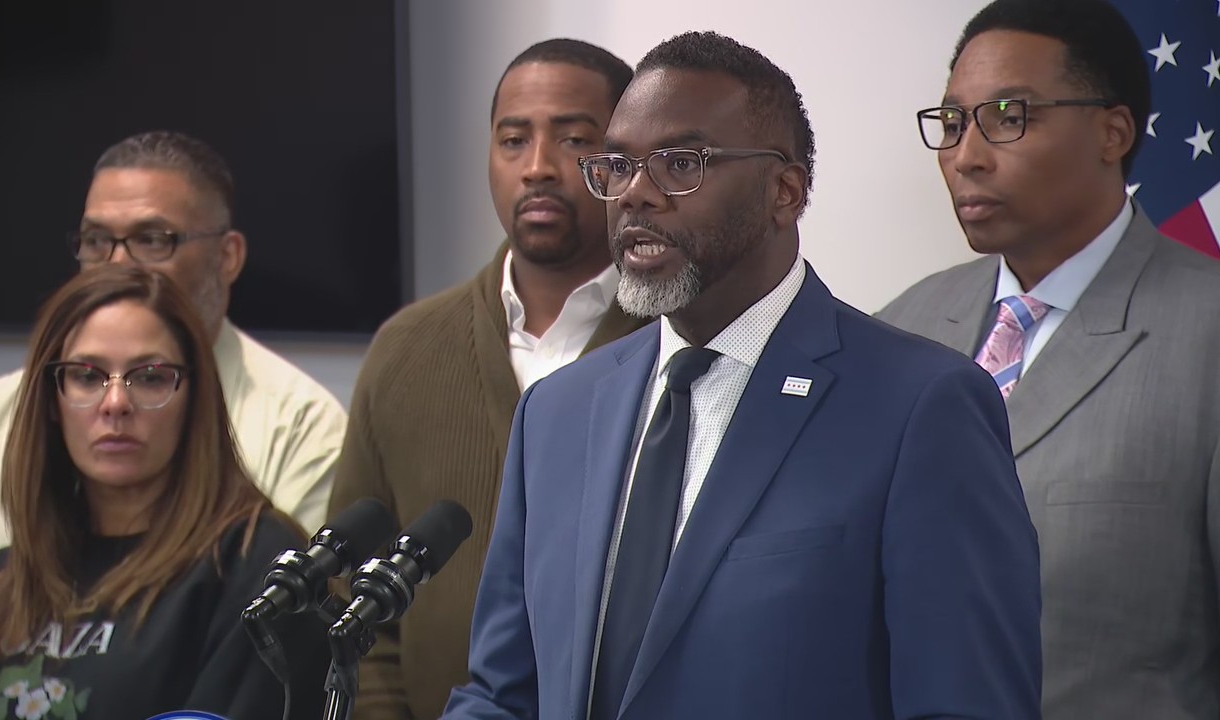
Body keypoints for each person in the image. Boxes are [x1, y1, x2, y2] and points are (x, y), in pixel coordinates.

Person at [444, 31, 1042, 720]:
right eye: (619, 165)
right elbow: (503, 695)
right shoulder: (557, 412)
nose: (635, 195)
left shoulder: (921, 408)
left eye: (680, 164)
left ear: (783, 191)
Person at [877, 0, 1220, 716]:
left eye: (1009, 116)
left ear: (1112, 132)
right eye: (953, 123)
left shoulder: (1205, 333)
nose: (966, 156)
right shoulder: (899, 328)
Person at [326, 39, 649, 720]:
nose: (537, 167)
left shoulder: (679, 345)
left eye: (574, 140)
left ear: (625, 161)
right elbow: (354, 602)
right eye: (512, 140)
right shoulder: (406, 349)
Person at [0, 131, 348, 645]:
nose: (117, 265)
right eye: (96, 241)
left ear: (227, 257)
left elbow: (280, 647)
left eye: (153, 240)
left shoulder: (301, 426)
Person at [0, 265, 330, 719]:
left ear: (195, 398)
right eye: (87, 376)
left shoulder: (256, 565)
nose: (116, 403)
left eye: (150, 377)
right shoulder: (7, 575)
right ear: (51, 400)